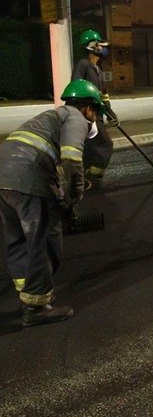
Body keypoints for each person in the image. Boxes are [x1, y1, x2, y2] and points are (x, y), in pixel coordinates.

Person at [0, 80, 105, 326]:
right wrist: (74, 196)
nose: (94, 121)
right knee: (42, 242)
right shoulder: (77, 117)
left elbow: (52, 174)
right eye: (95, 115)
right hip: (27, 179)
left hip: (4, 178)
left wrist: (62, 204)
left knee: (17, 238)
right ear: (89, 108)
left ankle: (27, 293)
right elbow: (71, 159)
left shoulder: (51, 117)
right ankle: (36, 310)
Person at [71, 29, 119, 186]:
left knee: (90, 148)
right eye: (100, 45)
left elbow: (103, 93)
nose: (103, 48)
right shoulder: (83, 65)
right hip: (86, 114)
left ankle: (83, 177)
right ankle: (93, 177)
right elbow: (77, 88)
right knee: (105, 144)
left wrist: (109, 111)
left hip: (96, 114)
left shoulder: (98, 68)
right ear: (91, 46)